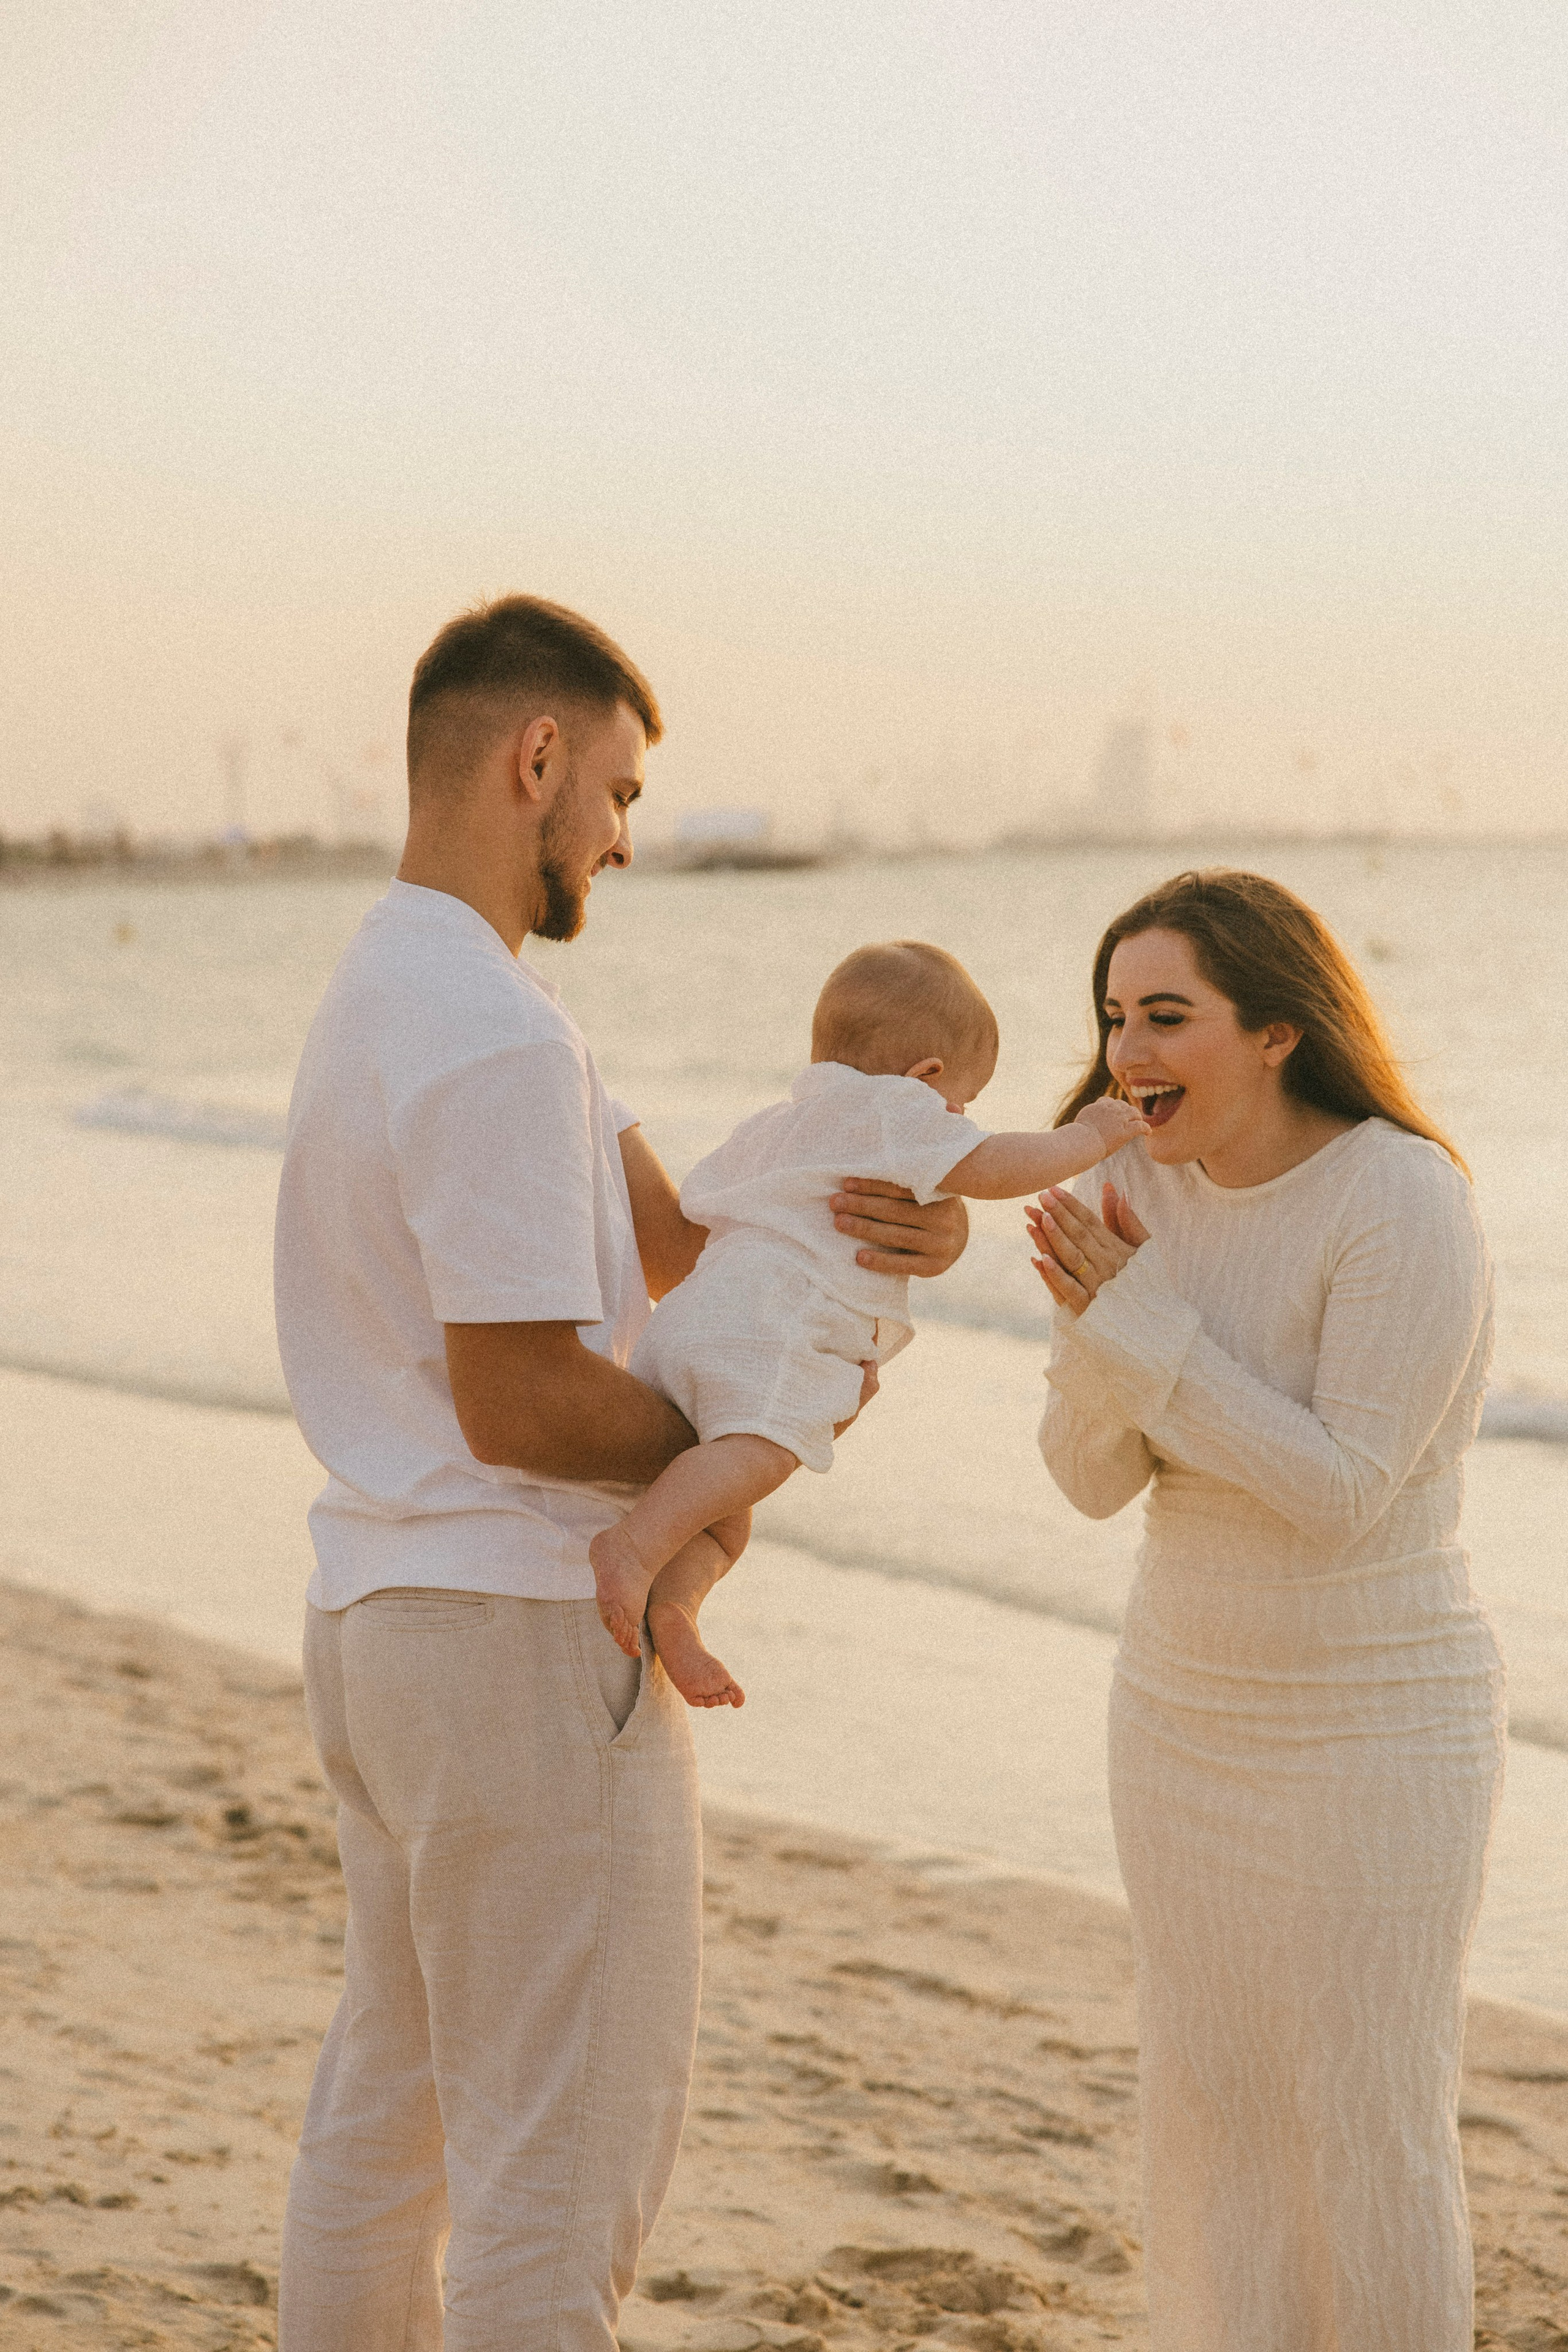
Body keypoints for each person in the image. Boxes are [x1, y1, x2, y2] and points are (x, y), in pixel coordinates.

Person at [270, 594, 968, 2351]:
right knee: (558, 2177)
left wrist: (878, 1231)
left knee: (393, 2122)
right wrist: (730, 1463)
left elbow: (668, 1243)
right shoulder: (498, 1036)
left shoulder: (403, 984)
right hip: (511, 1633)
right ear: (537, 758)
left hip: (377, 1616)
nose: (626, 840)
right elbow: (519, 1402)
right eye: (621, 794)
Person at [1030, 867, 1504, 2352]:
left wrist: (1133, 1324)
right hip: (1176, 1711)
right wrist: (1097, 1328)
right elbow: (1087, 1477)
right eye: (1114, 1016)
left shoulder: (1400, 1196)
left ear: (1279, 1031)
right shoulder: (1128, 1198)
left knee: (1363, 2119)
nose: (1126, 1051)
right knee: (1209, 2102)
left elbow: (1338, 1487)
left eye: (1166, 1015)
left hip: (1374, 1728)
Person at [591, 939, 1147, 1706]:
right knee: (760, 1456)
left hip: (689, 1320)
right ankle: (630, 1548)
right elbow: (992, 1167)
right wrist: (1088, 1137)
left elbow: (700, 1210)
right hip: (777, 1332)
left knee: (724, 1510)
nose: (957, 1122)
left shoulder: (773, 1122)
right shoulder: (894, 1109)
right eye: (961, 1104)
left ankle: (674, 1608)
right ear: (925, 1078)